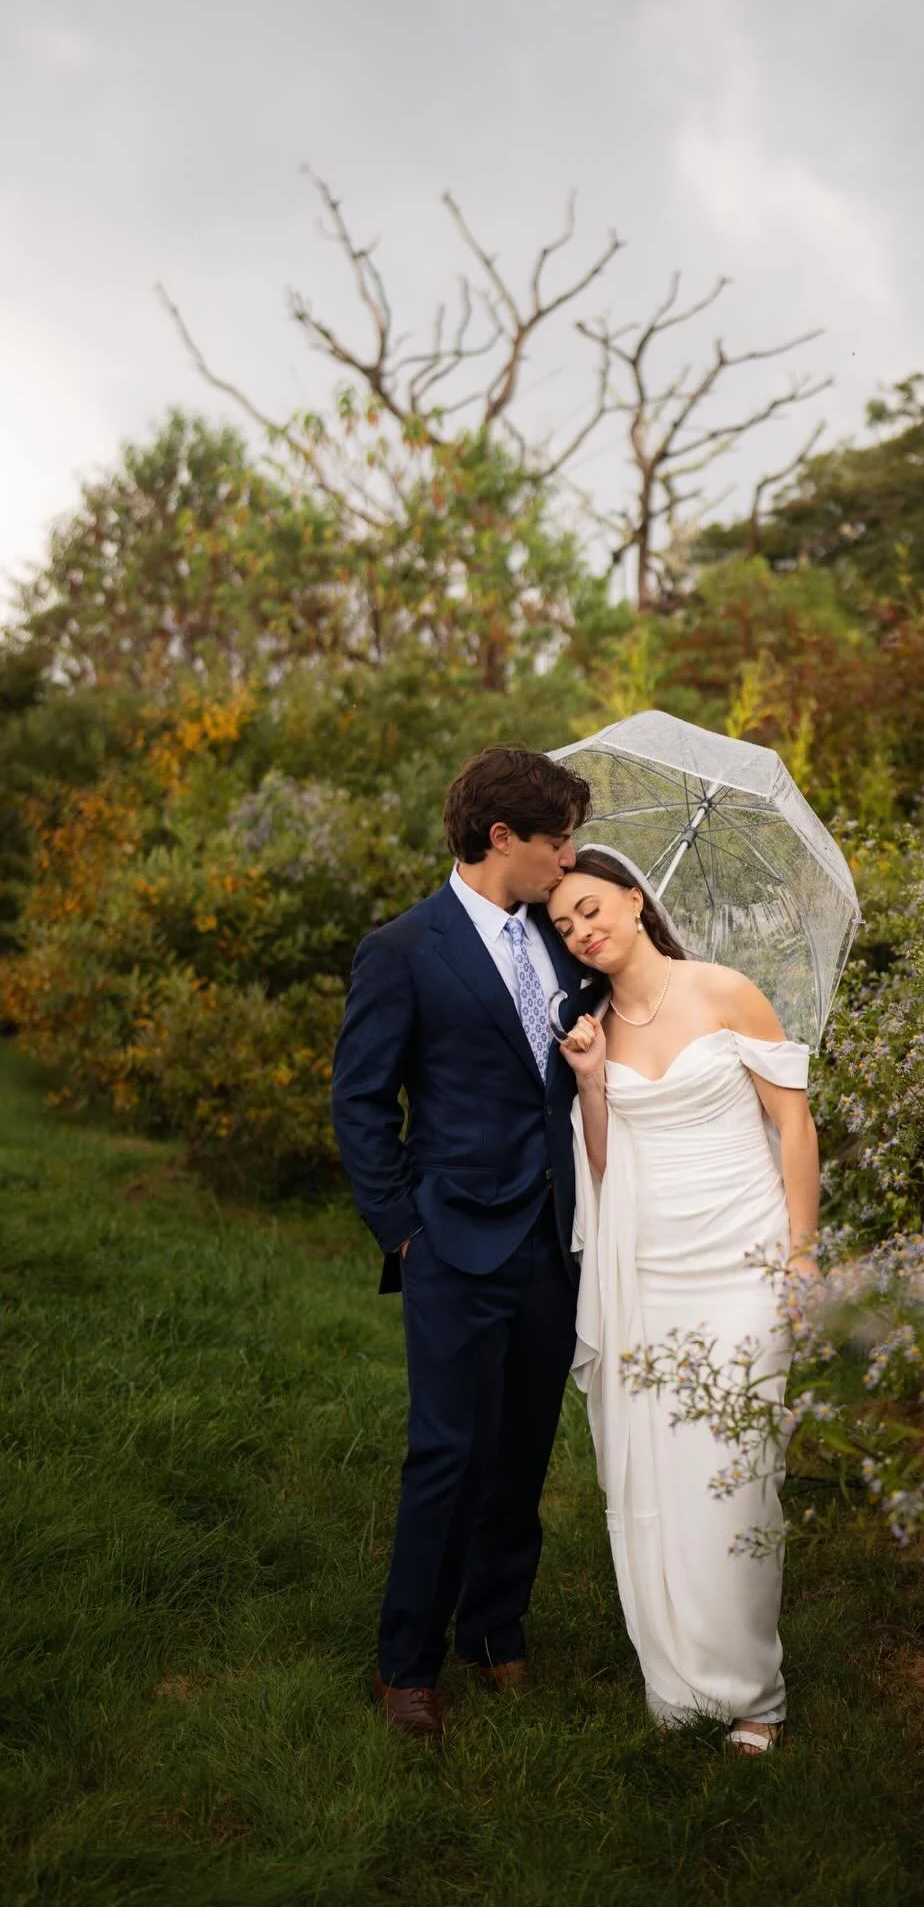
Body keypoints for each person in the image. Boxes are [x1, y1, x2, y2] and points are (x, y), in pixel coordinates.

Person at [330, 746, 595, 1742]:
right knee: (448, 1453)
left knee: (524, 1450)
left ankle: (497, 1630)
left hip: (554, 1237)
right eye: (556, 840)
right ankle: (408, 1664)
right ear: (501, 838)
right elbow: (360, 1103)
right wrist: (403, 1232)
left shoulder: (561, 940)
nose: (569, 860)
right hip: (451, 1240)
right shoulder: (403, 949)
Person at [547, 845, 820, 1755]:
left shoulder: (724, 991)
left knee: (738, 1478)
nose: (582, 931)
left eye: (591, 908)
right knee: (661, 1476)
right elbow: (599, 1169)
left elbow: (793, 1124)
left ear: (634, 899)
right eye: (564, 925)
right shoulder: (591, 1029)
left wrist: (802, 1252)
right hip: (651, 1276)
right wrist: (589, 1081)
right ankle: (681, 1674)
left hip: (743, 1262)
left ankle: (754, 1693)